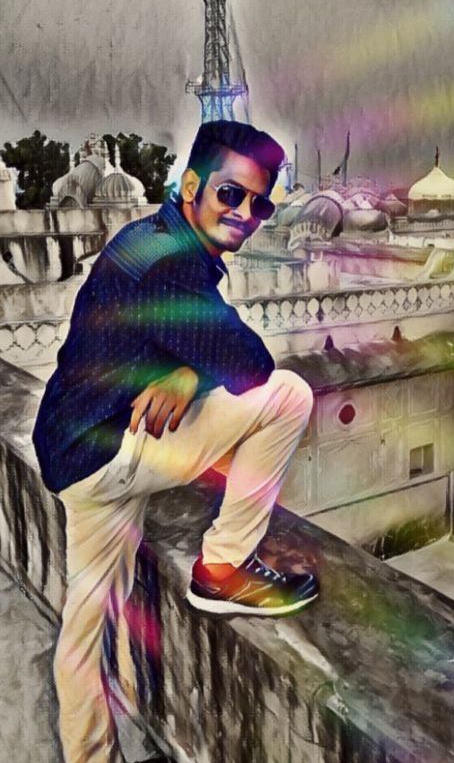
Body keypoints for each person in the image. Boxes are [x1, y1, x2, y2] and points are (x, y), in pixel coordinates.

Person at [32, 120, 318, 763]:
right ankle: (222, 569)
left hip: (72, 452)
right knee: (289, 396)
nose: (244, 214)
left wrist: (186, 370)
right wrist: (199, 369)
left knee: (86, 624)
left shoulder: (147, 238)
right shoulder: (173, 263)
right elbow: (252, 366)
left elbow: (161, 335)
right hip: (113, 449)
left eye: (259, 204)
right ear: (191, 186)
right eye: (230, 194)